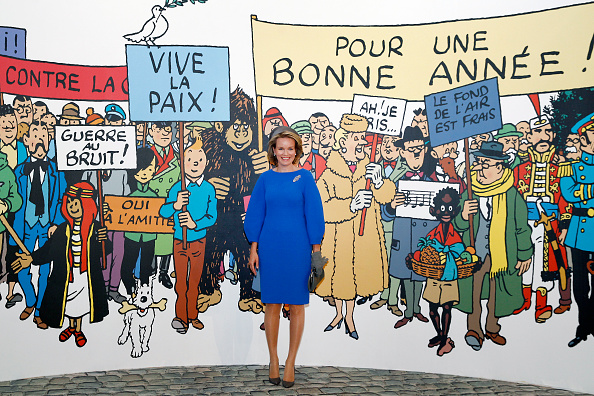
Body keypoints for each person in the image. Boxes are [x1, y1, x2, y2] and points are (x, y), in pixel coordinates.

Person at [244, 126, 324, 388]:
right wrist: (253, 248)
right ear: (274, 151)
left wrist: (316, 253)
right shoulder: (265, 179)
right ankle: (274, 359)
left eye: (291, 148)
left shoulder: (305, 178)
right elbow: (255, 215)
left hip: (299, 249)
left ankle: (290, 361)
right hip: (270, 247)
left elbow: (314, 215)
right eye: (281, 148)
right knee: (272, 305)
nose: (286, 153)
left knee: (297, 305)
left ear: (297, 151)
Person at [11, 182, 109, 347]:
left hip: (86, 276)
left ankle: (77, 329)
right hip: (66, 275)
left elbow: (105, 251)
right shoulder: (63, 229)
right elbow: (49, 250)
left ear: (86, 204)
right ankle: (71, 327)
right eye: (69, 202)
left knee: (83, 303)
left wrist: (103, 240)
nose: (72, 206)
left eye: (76, 203)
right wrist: (31, 259)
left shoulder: (95, 228)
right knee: (68, 303)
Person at [159, 139, 217, 334]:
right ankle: (181, 317)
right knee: (181, 282)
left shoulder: (208, 189)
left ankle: (193, 315)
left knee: (194, 281)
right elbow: (164, 212)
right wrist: (175, 204)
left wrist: (195, 224)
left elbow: (212, 216)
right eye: (189, 159)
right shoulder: (178, 188)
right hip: (179, 241)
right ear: (182, 162)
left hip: (199, 241)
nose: (194, 164)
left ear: (206, 162)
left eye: (199, 159)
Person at [560, 112, 594, 347]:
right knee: (581, 286)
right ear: (582, 141)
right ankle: (583, 328)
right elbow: (569, 193)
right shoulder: (571, 168)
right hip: (580, 231)